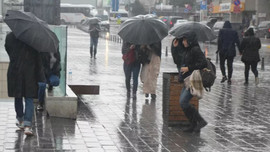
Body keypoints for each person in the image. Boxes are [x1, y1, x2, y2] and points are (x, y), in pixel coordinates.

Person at [5, 32, 45, 136]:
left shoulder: (10, 36)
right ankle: (28, 126)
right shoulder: (33, 38)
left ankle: (21, 120)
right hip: (29, 72)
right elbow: (38, 58)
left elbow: (8, 50)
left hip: (15, 71)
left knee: (18, 96)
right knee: (29, 98)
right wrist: (40, 76)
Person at [174, 31, 208, 133]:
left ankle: (200, 121)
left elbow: (203, 63)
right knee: (183, 102)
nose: (183, 42)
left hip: (192, 80)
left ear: (189, 40)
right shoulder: (188, 50)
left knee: (183, 102)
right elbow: (178, 60)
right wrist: (176, 48)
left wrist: (189, 68)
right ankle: (194, 124)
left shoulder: (195, 50)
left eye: (184, 40)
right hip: (187, 81)